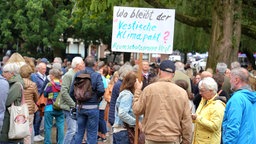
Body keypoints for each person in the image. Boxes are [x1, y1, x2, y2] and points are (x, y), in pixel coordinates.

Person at [133, 60, 192, 144]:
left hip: (152, 137)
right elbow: (186, 120)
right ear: (173, 74)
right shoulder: (182, 93)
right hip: (172, 138)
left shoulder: (149, 90)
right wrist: (186, 141)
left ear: (159, 71)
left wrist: (137, 91)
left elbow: (137, 110)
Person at [71, 56, 105, 144]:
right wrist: (96, 98)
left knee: (79, 132)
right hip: (93, 107)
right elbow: (101, 90)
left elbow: (71, 91)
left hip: (80, 107)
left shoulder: (78, 74)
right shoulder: (96, 75)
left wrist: (78, 100)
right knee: (92, 133)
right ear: (95, 64)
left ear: (85, 64)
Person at [222, 67, 256, 144]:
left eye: (230, 78)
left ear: (236, 80)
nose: (229, 81)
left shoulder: (237, 99)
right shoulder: (252, 97)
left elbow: (233, 127)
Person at [191, 77, 225, 144]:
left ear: (211, 90)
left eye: (202, 91)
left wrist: (197, 118)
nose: (200, 93)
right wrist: (193, 117)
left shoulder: (218, 105)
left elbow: (215, 126)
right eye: (199, 90)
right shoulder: (203, 100)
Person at [60, 56, 85, 144]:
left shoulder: (79, 74)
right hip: (69, 107)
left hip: (75, 107)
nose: (84, 65)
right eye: (82, 63)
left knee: (76, 130)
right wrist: (73, 104)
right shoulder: (68, 75)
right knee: (72, 130)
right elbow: (64, 92)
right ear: (78, 65)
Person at [0, 63, 25, 143]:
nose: (3, 74)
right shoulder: (13, 83)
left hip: (11, 118)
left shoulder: (16, 85)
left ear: (12, 73)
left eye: (5, 72)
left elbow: (6, 101)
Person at [113, 72, 139, 144]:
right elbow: (122, 113)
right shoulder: (127, 95)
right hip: (123, 131)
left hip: (122, 131)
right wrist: (136, 123)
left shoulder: (126, 94)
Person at [44, 68, 64, 144]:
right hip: (60, 107)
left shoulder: (49, 84)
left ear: (52, 76)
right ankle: (61, 142)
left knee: (48, 126)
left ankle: (47, 142)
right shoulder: (63, 84)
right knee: (61, 126)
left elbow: (45, 94)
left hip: (50, 107)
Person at [20, 64, 39, 144]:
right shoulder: (33, 84)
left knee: (19, 129)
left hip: (19, 109)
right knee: (28, 131)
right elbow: (36, 98)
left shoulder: (17, 83)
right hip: (30, 110)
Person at [31, 62, 47, 142]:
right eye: (43, 69)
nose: (45, 70)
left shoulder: (45, 76)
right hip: (37, 100)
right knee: (37, 117)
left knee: (40, 117)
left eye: (45, 68)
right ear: (38, 69)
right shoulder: (35, 76)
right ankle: (35, 134)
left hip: (43, 100)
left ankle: (37, 133)